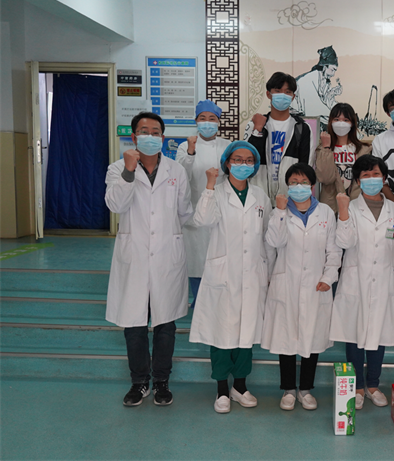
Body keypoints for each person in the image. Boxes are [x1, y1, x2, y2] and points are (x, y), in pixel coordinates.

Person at [105, 112, 193, 407]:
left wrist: (170, 233)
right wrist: (129, 171)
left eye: (156, 132)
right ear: (134, 137)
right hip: (135, 255)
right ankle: (139, 382)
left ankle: (161, 382)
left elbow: (184, 211)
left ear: (163, 138)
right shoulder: (117, 168)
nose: (150, 136)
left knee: (166, 324)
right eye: (144, 131)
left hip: (167, 254)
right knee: (135, 324)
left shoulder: (176, 170)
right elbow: (116, 204)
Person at [188, 141, 273, 414]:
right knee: (222, 333)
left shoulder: (260, 196)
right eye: (237, 159)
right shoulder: (216, 192)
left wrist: (269, 272)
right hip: (223, 274)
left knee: (246, 332)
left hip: (253, 272)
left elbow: (268, 236)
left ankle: (240, 386)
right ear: (227, 163)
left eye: (249, 160)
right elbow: (201, 220)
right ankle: (222, 390)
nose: (243, 164)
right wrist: (209, 186)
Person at [330, 155, 394, 410]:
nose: (371, 179)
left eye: (375, 174)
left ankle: (373, 385)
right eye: (365, 175)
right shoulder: (350, 208)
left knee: (379, 334)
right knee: (354, 335)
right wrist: (343, 212)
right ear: (357, 180)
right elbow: (344, 242)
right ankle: (356, 387)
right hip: (356, 280)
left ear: (384, 178)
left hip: (386, 280)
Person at [262, 163, 342, 411]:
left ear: (312, 185)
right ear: (287, 186)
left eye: (304, 182)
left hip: (317, 285)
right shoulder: (280, 211)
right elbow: (273, 241)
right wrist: (280, 211)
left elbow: (334, 250)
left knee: (312, 339)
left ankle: (305, 390)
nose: (299, 186)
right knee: (286, 338)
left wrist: (329, 277)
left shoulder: (326, 212)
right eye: (294, 182)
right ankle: (288, 390)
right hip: (285, 282)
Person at [176, 100, 230, 308]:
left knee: (218, 254)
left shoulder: (227, 146)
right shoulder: (185, 146)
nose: (207, 123)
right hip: (193, 210)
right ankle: (198, 299)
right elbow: (182, 175)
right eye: (202, 118)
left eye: (212, 119)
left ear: (219, 122)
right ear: (196, 121)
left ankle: (217, 298)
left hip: (220, 208)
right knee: (196, 258)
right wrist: (191, 152)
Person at [243, 72, 314, 205]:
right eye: (278, 91)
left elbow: (306, 166)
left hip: (289, 197)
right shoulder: (254, 125)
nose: (283, 95)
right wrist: (257, 130)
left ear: (293, 97)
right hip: (258, 196)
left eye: (287, 92)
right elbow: (246, 159)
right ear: (268, 94)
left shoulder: (302, 128)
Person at [315, 103, 372, 213]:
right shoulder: (323, 149)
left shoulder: (364, 150)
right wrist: (326, 147)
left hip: (357, 207)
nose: (341, 123)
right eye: (336, 119)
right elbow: (325, 178)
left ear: (352, 123)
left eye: (346, 120)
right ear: (331, 122)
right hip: (331, 207)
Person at [291, 46, 343, 128]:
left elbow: (328, 102)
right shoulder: (307, 80)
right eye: (332, 70)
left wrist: (332, 94)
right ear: (324, 66)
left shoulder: (325, 81)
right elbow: (313, 109)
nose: (333, 74)